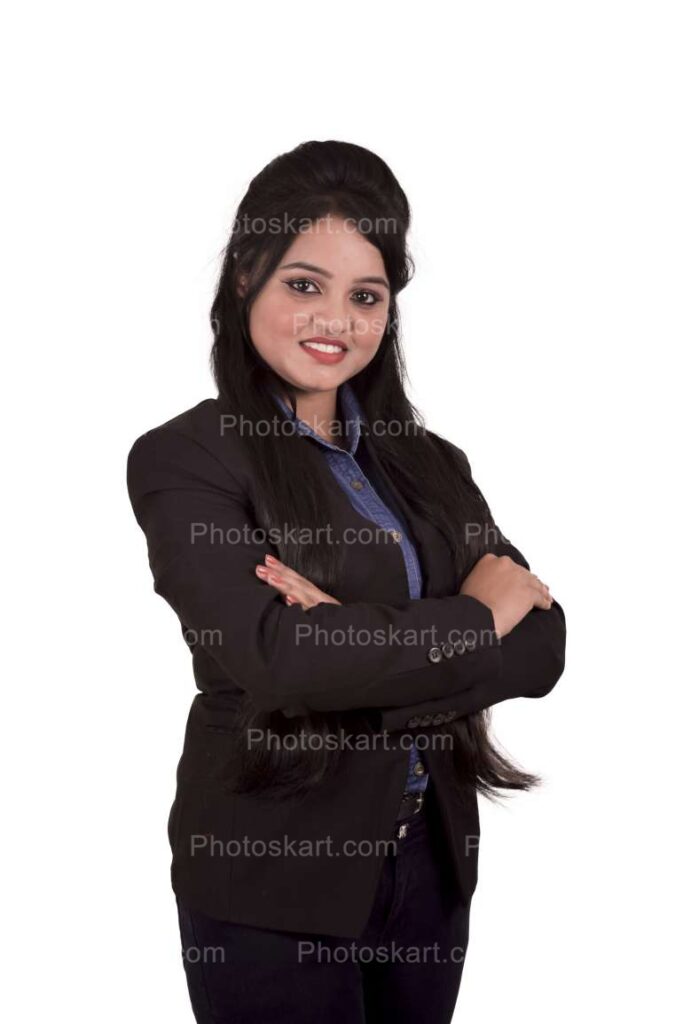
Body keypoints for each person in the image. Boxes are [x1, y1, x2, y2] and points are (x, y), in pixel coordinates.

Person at [127, 139, 566, 1023]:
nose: (335, 318)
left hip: (428, 870)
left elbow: (546, 647)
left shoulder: (432, 464)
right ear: (247, 274)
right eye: (303, 284)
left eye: (365, 296)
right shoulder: (188, 459)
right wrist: (470, 617)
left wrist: (358, 639)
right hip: (269, 882)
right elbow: (277, 659)